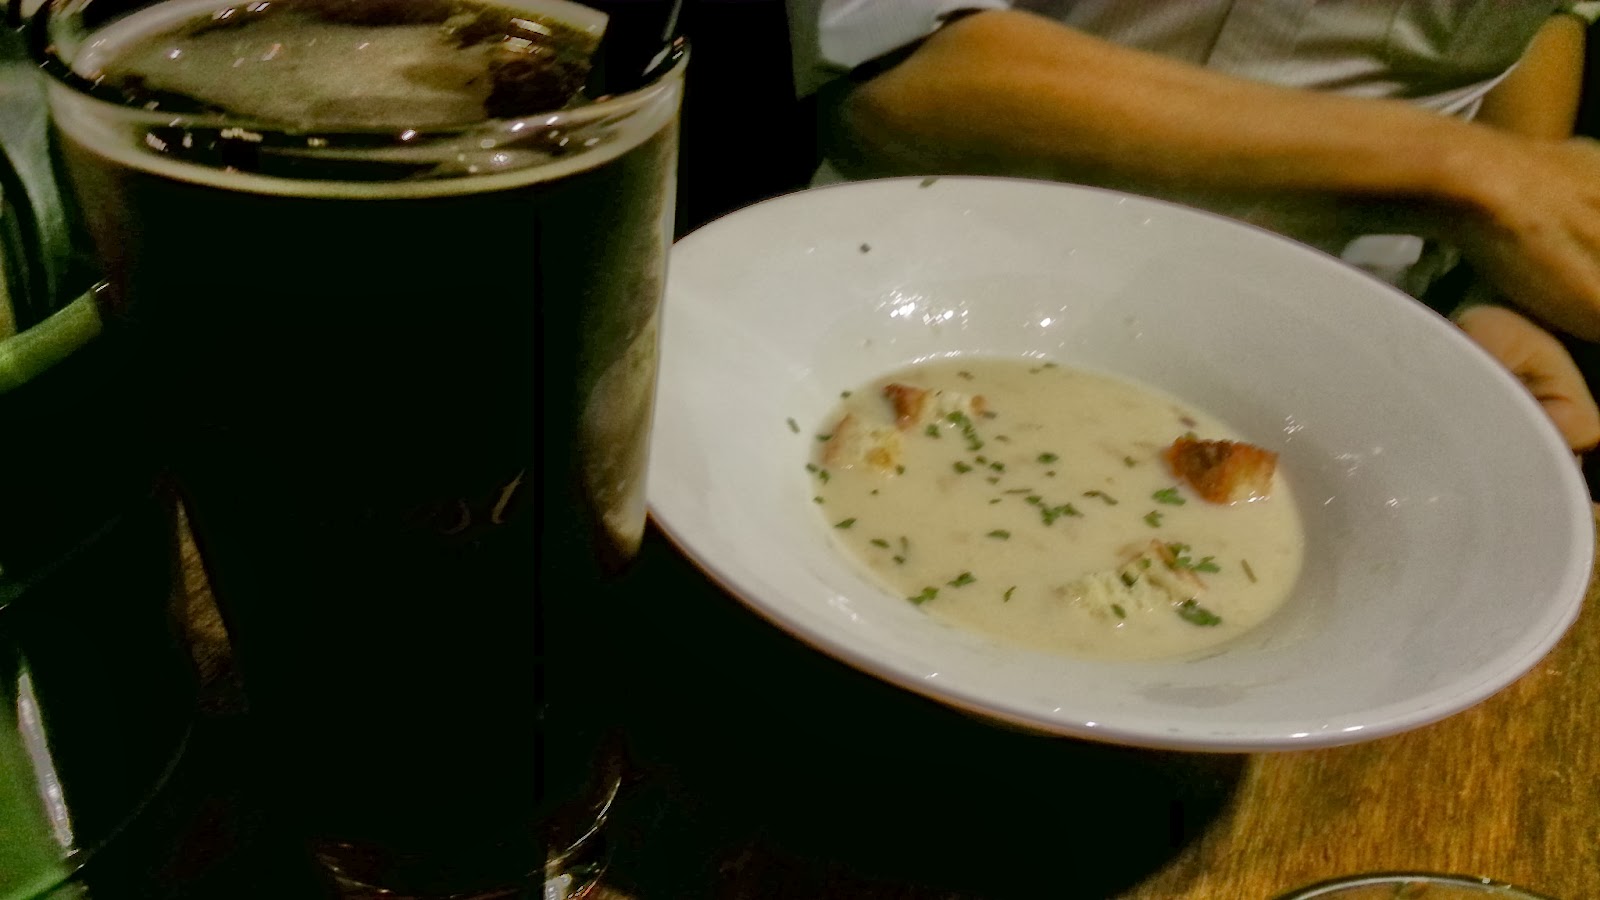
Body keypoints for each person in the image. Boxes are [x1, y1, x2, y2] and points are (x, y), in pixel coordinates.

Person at [788, 1, 1600, 453]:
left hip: (1338, 351)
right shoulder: (1458, 180)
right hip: (932, 291)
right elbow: (897, 81)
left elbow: (1545, 19)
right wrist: (1466, 177)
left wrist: (1506, 279)